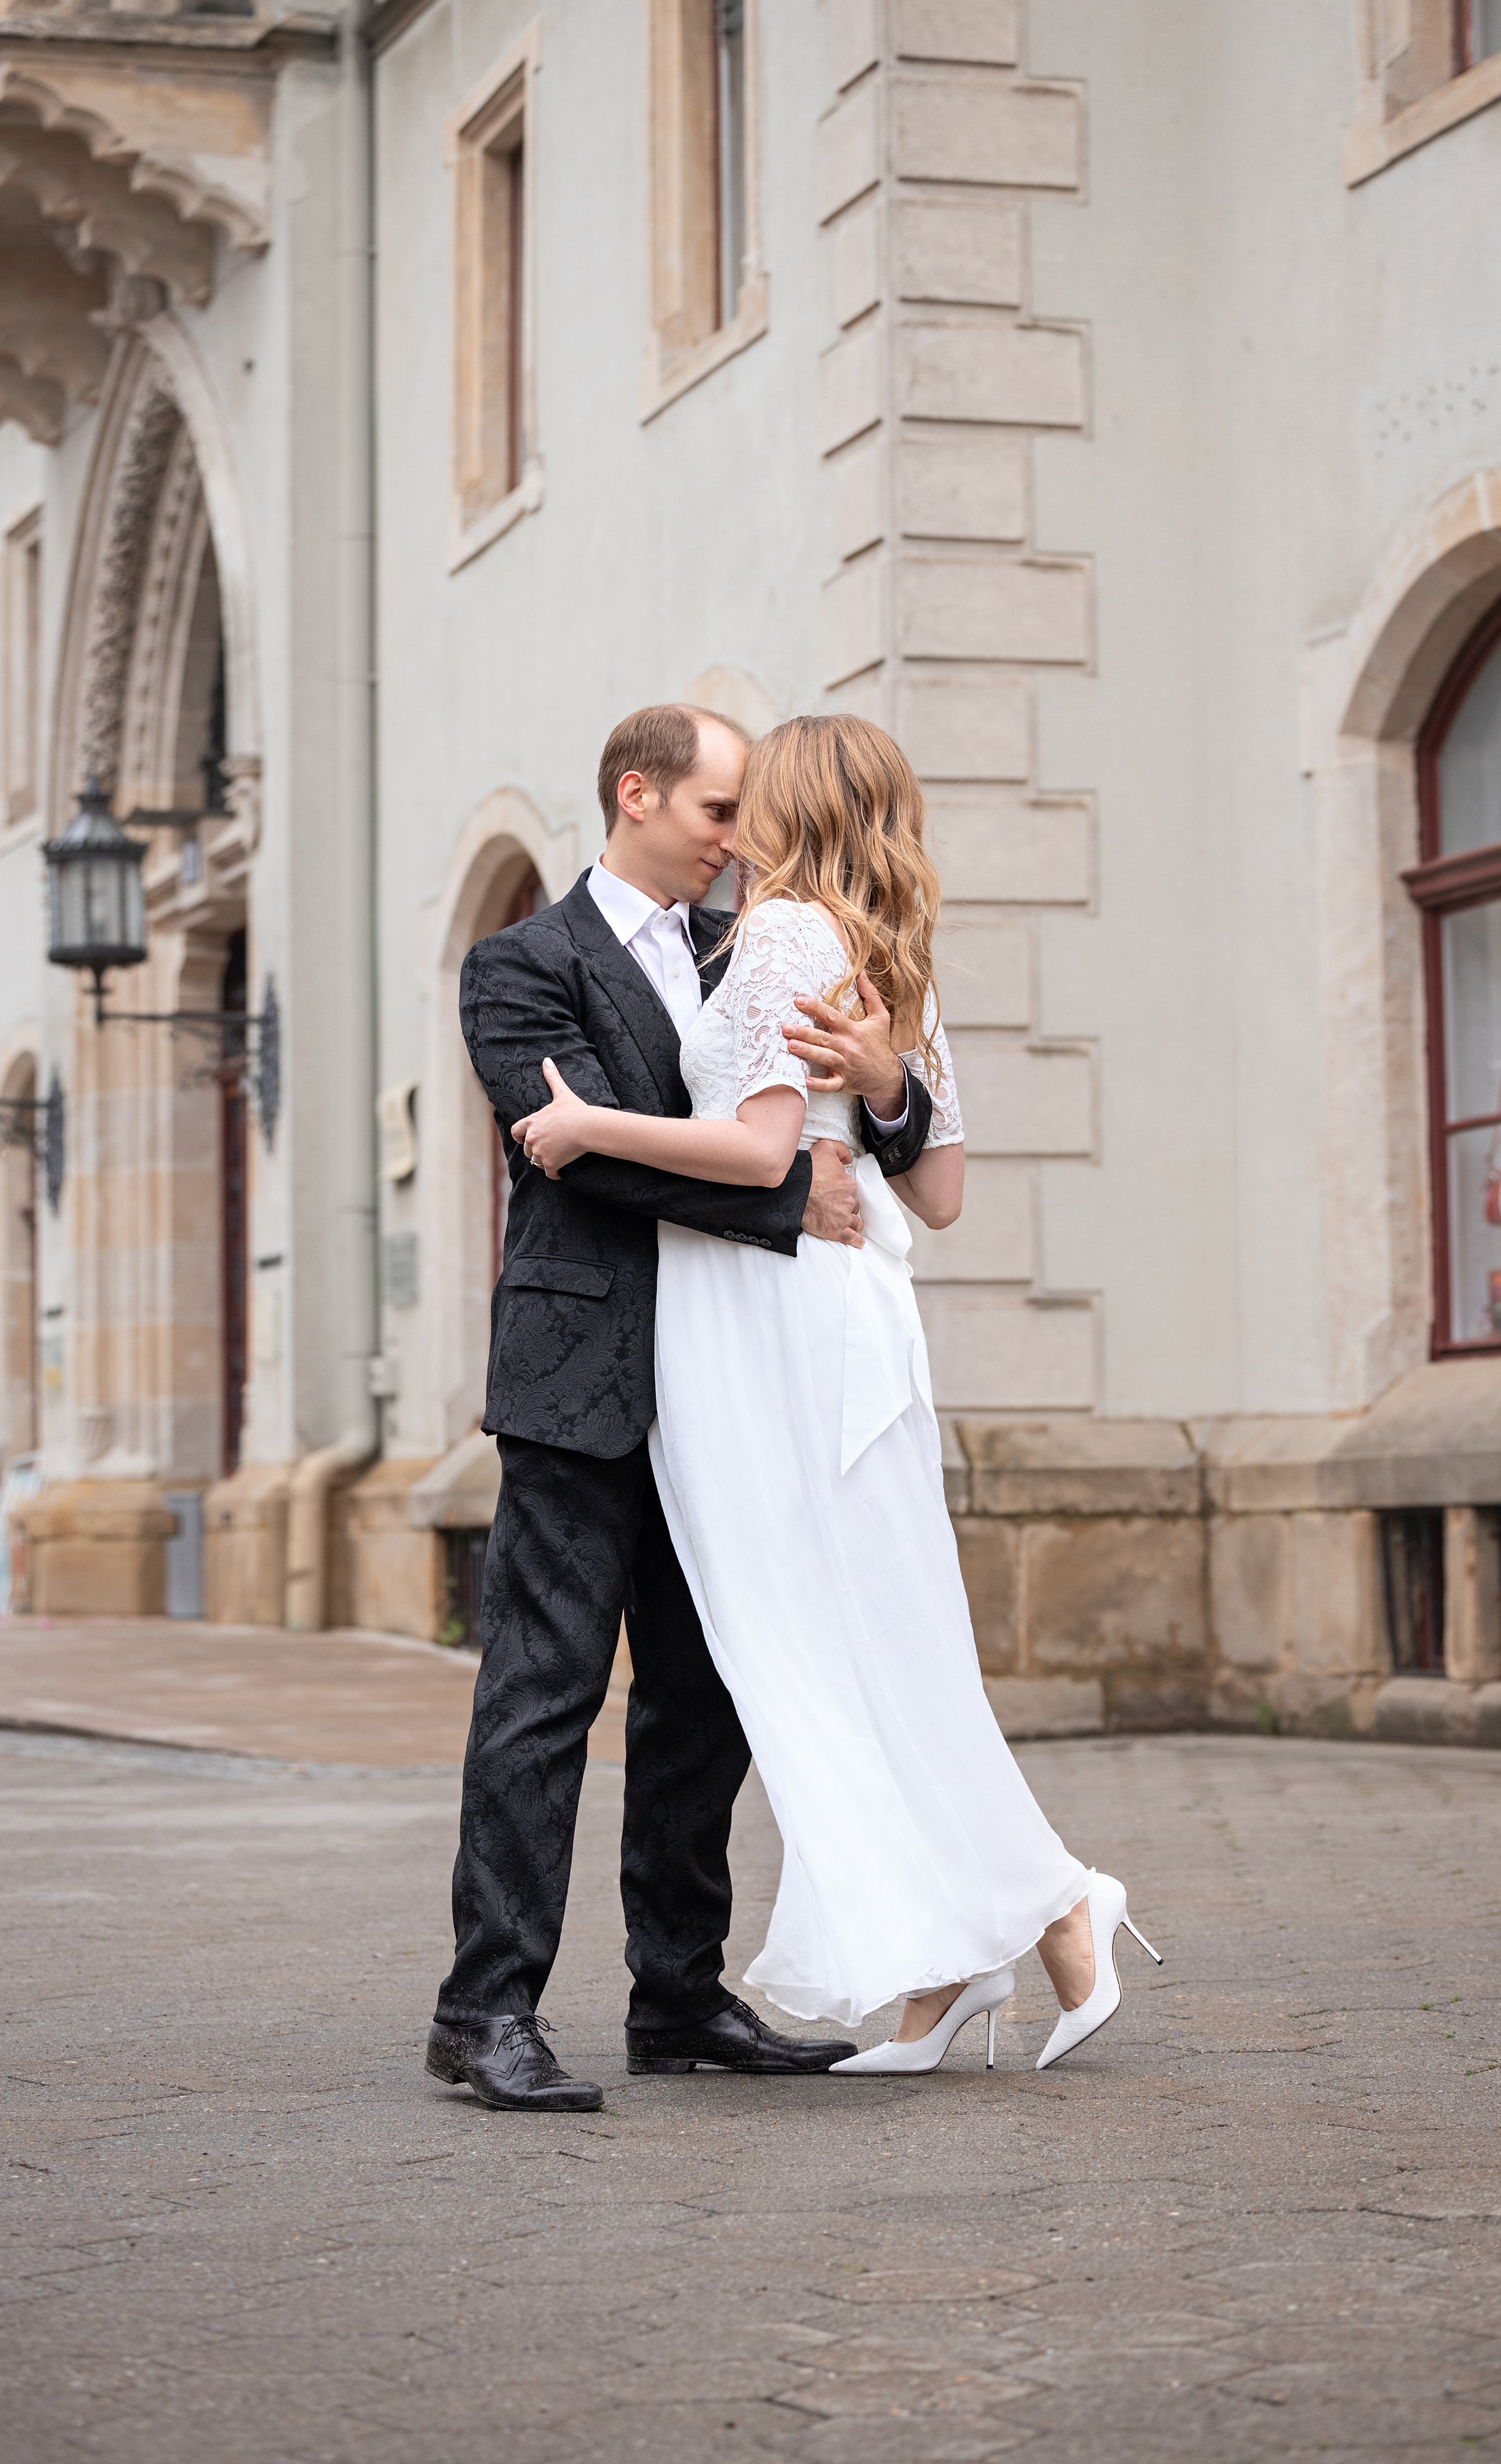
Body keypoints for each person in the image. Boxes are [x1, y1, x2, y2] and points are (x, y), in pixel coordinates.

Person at [515, 713, 1160, 2074]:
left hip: (773, 1326)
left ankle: (1049, 1902)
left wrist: (581, 1127)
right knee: (871, 1641)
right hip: (830, 1315)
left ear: (785, 810)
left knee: (810, 1644)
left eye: (745, 798)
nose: (726, 817)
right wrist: (878, 1085)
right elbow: (938, 1188)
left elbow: (758, 1153)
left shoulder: (788, 934)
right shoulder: (884, 953)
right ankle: (947, 1962)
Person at [426, 704, 935, 2112]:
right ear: (636, 796)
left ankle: (679, 1996)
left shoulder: (755, 947)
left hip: (734, 1381)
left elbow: (868, 1117)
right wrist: (788, 1194)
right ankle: (485, 2010)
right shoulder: (516, 966)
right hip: (580, 1377)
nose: (737, 837)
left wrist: (881, 1105)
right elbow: (574, 1152)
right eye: (718, 811)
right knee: (543, 1690)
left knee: (704, 1699)